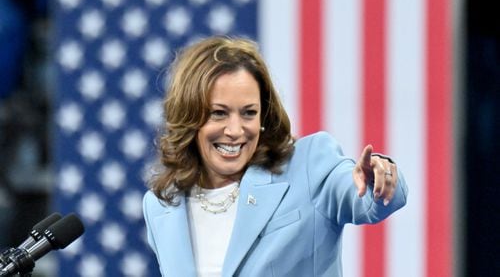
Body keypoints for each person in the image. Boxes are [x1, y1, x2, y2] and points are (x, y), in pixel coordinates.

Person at [143, 36, 408, 277]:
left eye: (248, 113)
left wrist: (376, 181)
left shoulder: (308, 165)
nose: (235, 131)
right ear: (189, 118)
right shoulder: (161, 206)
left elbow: (362, 199)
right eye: (219, 113)